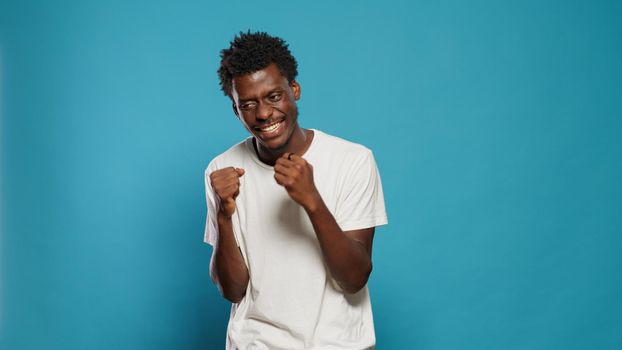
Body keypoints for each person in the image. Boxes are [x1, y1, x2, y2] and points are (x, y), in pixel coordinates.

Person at [204, 31, 388, 349]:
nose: (263, 114)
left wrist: (312, 201)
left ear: (294, 90)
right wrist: (224, 215)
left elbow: (354, 277)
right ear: (236, 110)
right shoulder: (222, 168)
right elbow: (233, 291)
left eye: (274, 96)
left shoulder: (353, 161)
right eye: (248, 104)